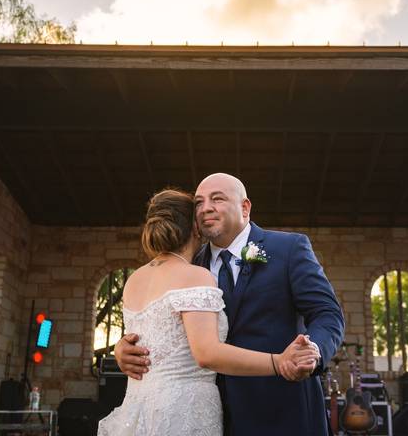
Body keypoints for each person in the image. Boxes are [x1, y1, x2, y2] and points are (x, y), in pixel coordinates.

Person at [115, 173, 345, 435]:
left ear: (245, 207)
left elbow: (327, 313)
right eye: (199, 202)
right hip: (213, 415)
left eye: (218, 198)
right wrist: (123, 348)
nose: (206, 208)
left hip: (283, 408)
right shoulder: (187, 264)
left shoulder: (289, 248)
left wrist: (312, 351)